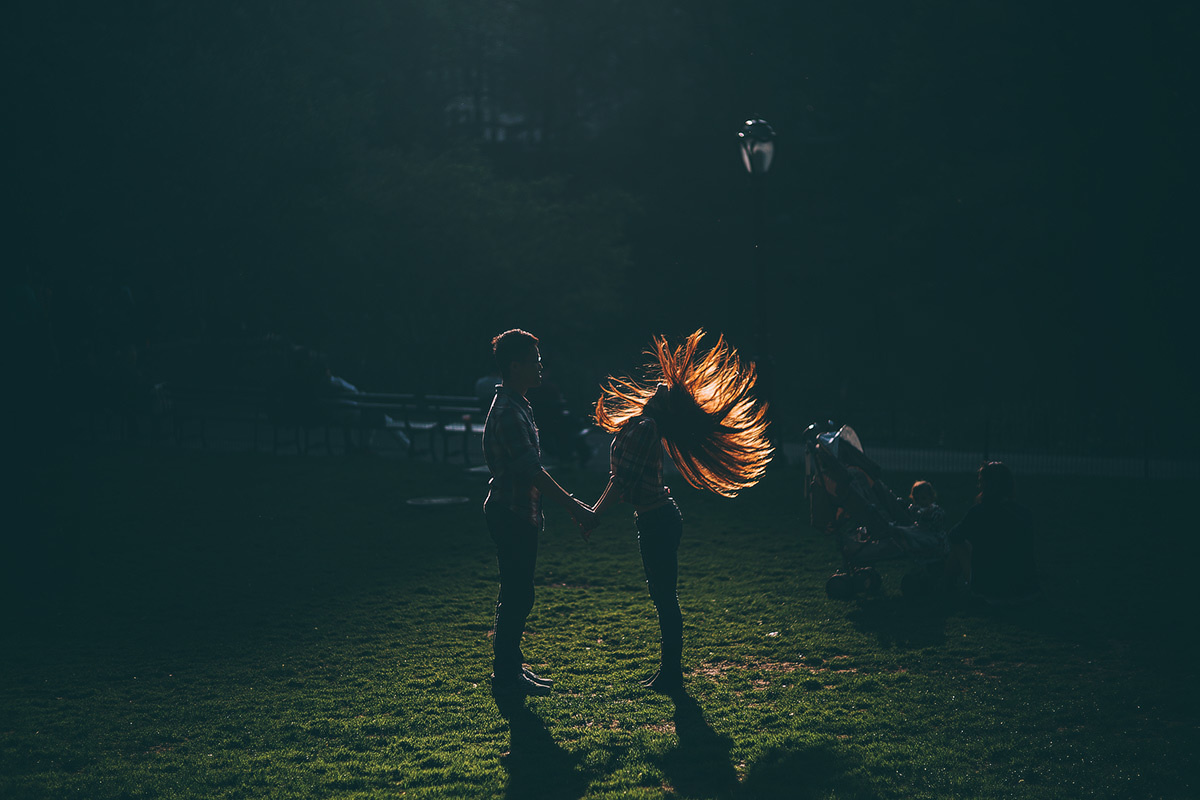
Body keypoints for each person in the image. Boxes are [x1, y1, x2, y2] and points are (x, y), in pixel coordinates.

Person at [583, 330, 773, 694]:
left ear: (665, 408)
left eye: (665, 391)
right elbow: (621, 480)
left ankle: (671, 673)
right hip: (653, 519)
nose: (659, 386)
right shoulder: (642, 426)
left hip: (658, 522)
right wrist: (593, 511)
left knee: (664, 597)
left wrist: (592, 515)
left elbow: (621, 483)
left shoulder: (646, 429)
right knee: (662, 595)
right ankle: (668, 672)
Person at [483, 329, 595, 696]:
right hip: (511, 512)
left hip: (519, 512)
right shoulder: (510, 411)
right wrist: (574, 505)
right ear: (516, 366)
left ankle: (511, 669)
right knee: (516, 594)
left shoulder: (519, 405)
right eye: (534, 360)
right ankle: (506, 675)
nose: (540, 365)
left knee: (518, 593)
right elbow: (531, 470)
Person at [946, 462, 1040, 604]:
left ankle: (946, 584)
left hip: (992, 592)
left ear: (984, 485)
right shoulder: (1024, 513)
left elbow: (953, 536)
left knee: (959, 542)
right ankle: (946, 584)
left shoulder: (979, 512)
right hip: (1027, 590)